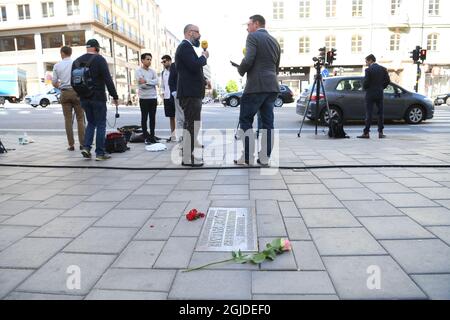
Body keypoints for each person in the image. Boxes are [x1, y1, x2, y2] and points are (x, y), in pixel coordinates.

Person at [234, 14, 281, 166]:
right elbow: (276, 66)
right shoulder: (275, 41)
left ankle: (247, 157)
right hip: (272, 86)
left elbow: (248, 59)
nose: (247, 28)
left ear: (256, 24)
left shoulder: (253, 37)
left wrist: (240, 70)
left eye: (248, 25)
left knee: (246, 120)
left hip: (256, 86)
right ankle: (264, 158)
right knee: (268, 123)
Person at [73, 39, 119, 161]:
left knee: (91, 123)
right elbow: (108, 79)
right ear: (97, 48)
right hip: (98, 97)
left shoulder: (76, 61)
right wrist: (115, 96)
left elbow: (73, 81)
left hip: (84, 98)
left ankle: (86, 148)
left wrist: (81, 94)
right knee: (101, 124)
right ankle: (100, 153)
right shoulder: (99, 59)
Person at [175, 24, 209, 167]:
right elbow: (194, 65)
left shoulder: (186, 47)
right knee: (191, 124)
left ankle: (188, 154)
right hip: (189, 94)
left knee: (192, 124)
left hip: (191, 92)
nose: (199, 35)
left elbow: (191, 69)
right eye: (197, 32)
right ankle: (188, 158)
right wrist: (204, 56)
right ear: (190, 33)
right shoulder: (185, 47)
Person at [52, 46, 85, 151]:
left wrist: (61, 87)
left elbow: (54, 82)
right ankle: (82, 144)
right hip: (77, 92)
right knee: (80, 119)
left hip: (65, 93)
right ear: (70, 53)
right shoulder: (77, 63)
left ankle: (71, 145)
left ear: (62, 53)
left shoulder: (57, 65)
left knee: (68, 119)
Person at [358, 54, 390, 139]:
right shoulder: (383, 69)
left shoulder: (368, 70)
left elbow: (366, 82)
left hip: (370, 94)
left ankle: (366, 133)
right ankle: (380, 132)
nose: (366, 63)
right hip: (379, 93)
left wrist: (365, 87)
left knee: (369, 113)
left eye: (366, 61)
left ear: (370, 60)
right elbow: (387, 81)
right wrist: (381, 87)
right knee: (380, 113)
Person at [136, 53, 160, 144]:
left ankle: (152, 136)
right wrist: (151, 83)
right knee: (144, 118)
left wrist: (146, 81)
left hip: (153, 97)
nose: (149, 61)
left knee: (153, 118)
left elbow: (157, 81)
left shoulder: (153, 71)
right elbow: (142, 86)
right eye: (147, 59)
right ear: (142, 60)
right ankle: (145, 136)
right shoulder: (138, 71)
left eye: (150, 59)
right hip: (144, 98)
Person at [160, 55, 176, 142]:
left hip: (175, 96)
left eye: (165, 61)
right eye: (162, 62)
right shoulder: (163, 73)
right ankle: (173, 135)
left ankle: (181, 135)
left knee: (180, 117)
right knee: (171, 117)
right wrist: (162, 94)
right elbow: (162, 85)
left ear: (170, 61)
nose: (163, 63)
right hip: (167, 97)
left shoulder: (176, 70)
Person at [168, 60, 185, 143]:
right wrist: (174, 92)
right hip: (178, 94)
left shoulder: (191, 62)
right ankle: (181, 138)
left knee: (191, 118)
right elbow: (171, 80)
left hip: (190, 94)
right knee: (180, 117)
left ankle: (192, 139)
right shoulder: (174, 65)